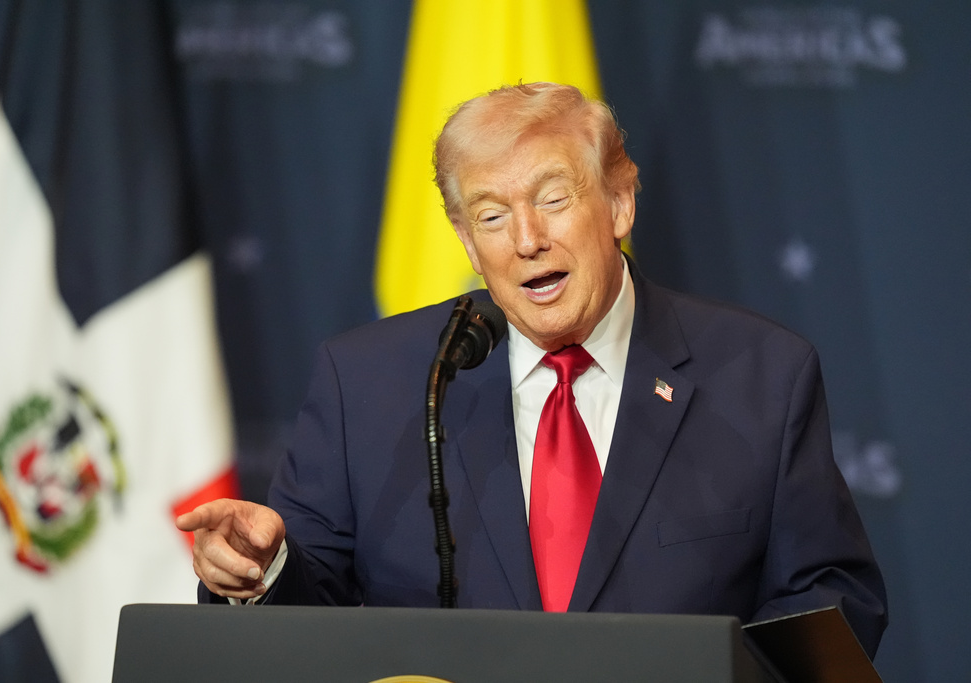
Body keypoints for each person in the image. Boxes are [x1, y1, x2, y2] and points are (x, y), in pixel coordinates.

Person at [177, 82, 887, 655]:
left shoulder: (761, 375)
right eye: (491, 217)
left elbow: (830, 599)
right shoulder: (367, 382)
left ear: (618, 202)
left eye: (553, 199)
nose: (526, 240)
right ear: (465, 239)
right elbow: (307, 618)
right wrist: (259, 571)